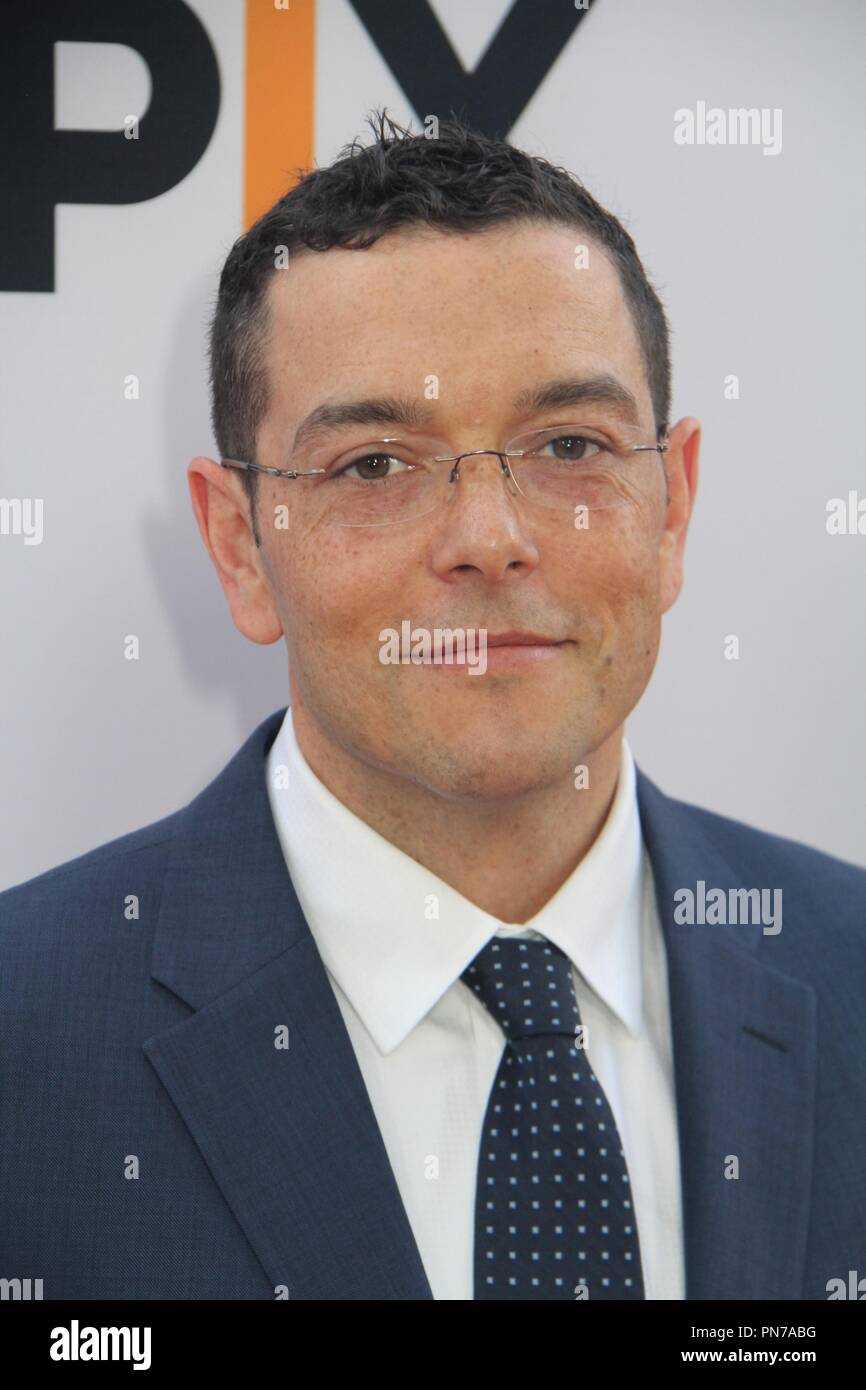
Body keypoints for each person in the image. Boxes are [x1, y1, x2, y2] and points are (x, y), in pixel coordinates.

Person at [1, 111, 863, 1302]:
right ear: (241, 545)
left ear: (670, 511)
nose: (489, 542)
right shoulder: (22, 1038)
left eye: (568, 443)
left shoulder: (845, 964)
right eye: (373, 465)